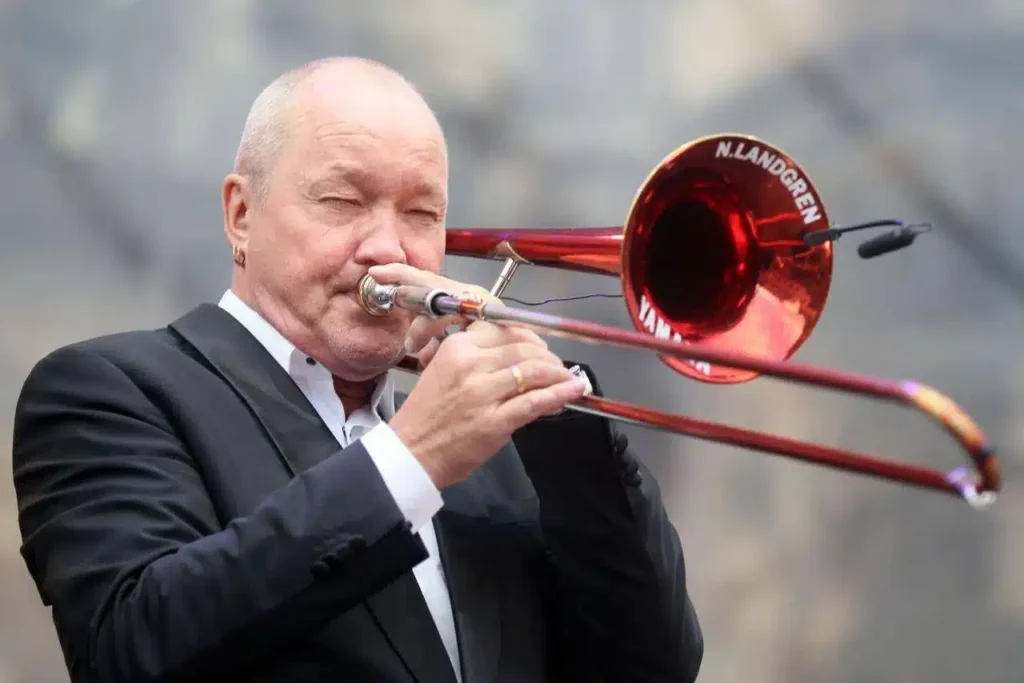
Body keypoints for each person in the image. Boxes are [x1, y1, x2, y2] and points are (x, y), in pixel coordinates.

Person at [11, 57, 703, 683]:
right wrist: (414, 457)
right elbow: (130, 647)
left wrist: (555, 424)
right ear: (241, 214)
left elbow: (653, 665)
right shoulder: (109, 392)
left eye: (422, 213)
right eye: (342, 201)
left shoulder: (493, 444)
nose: (388, 246)